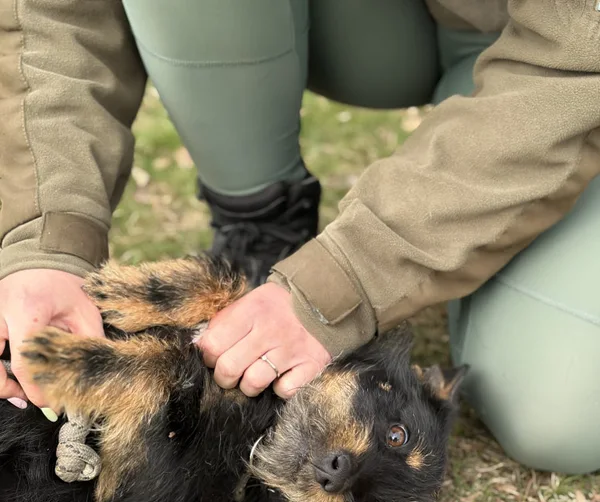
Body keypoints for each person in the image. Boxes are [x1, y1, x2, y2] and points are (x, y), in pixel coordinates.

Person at [0, 1, 599, 475]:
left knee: (559, 414)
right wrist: (45, 241)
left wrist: (344, 282)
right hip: (375, 26)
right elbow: (57, 15)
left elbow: (575, 65)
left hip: (571, 60)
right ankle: (262, 221)